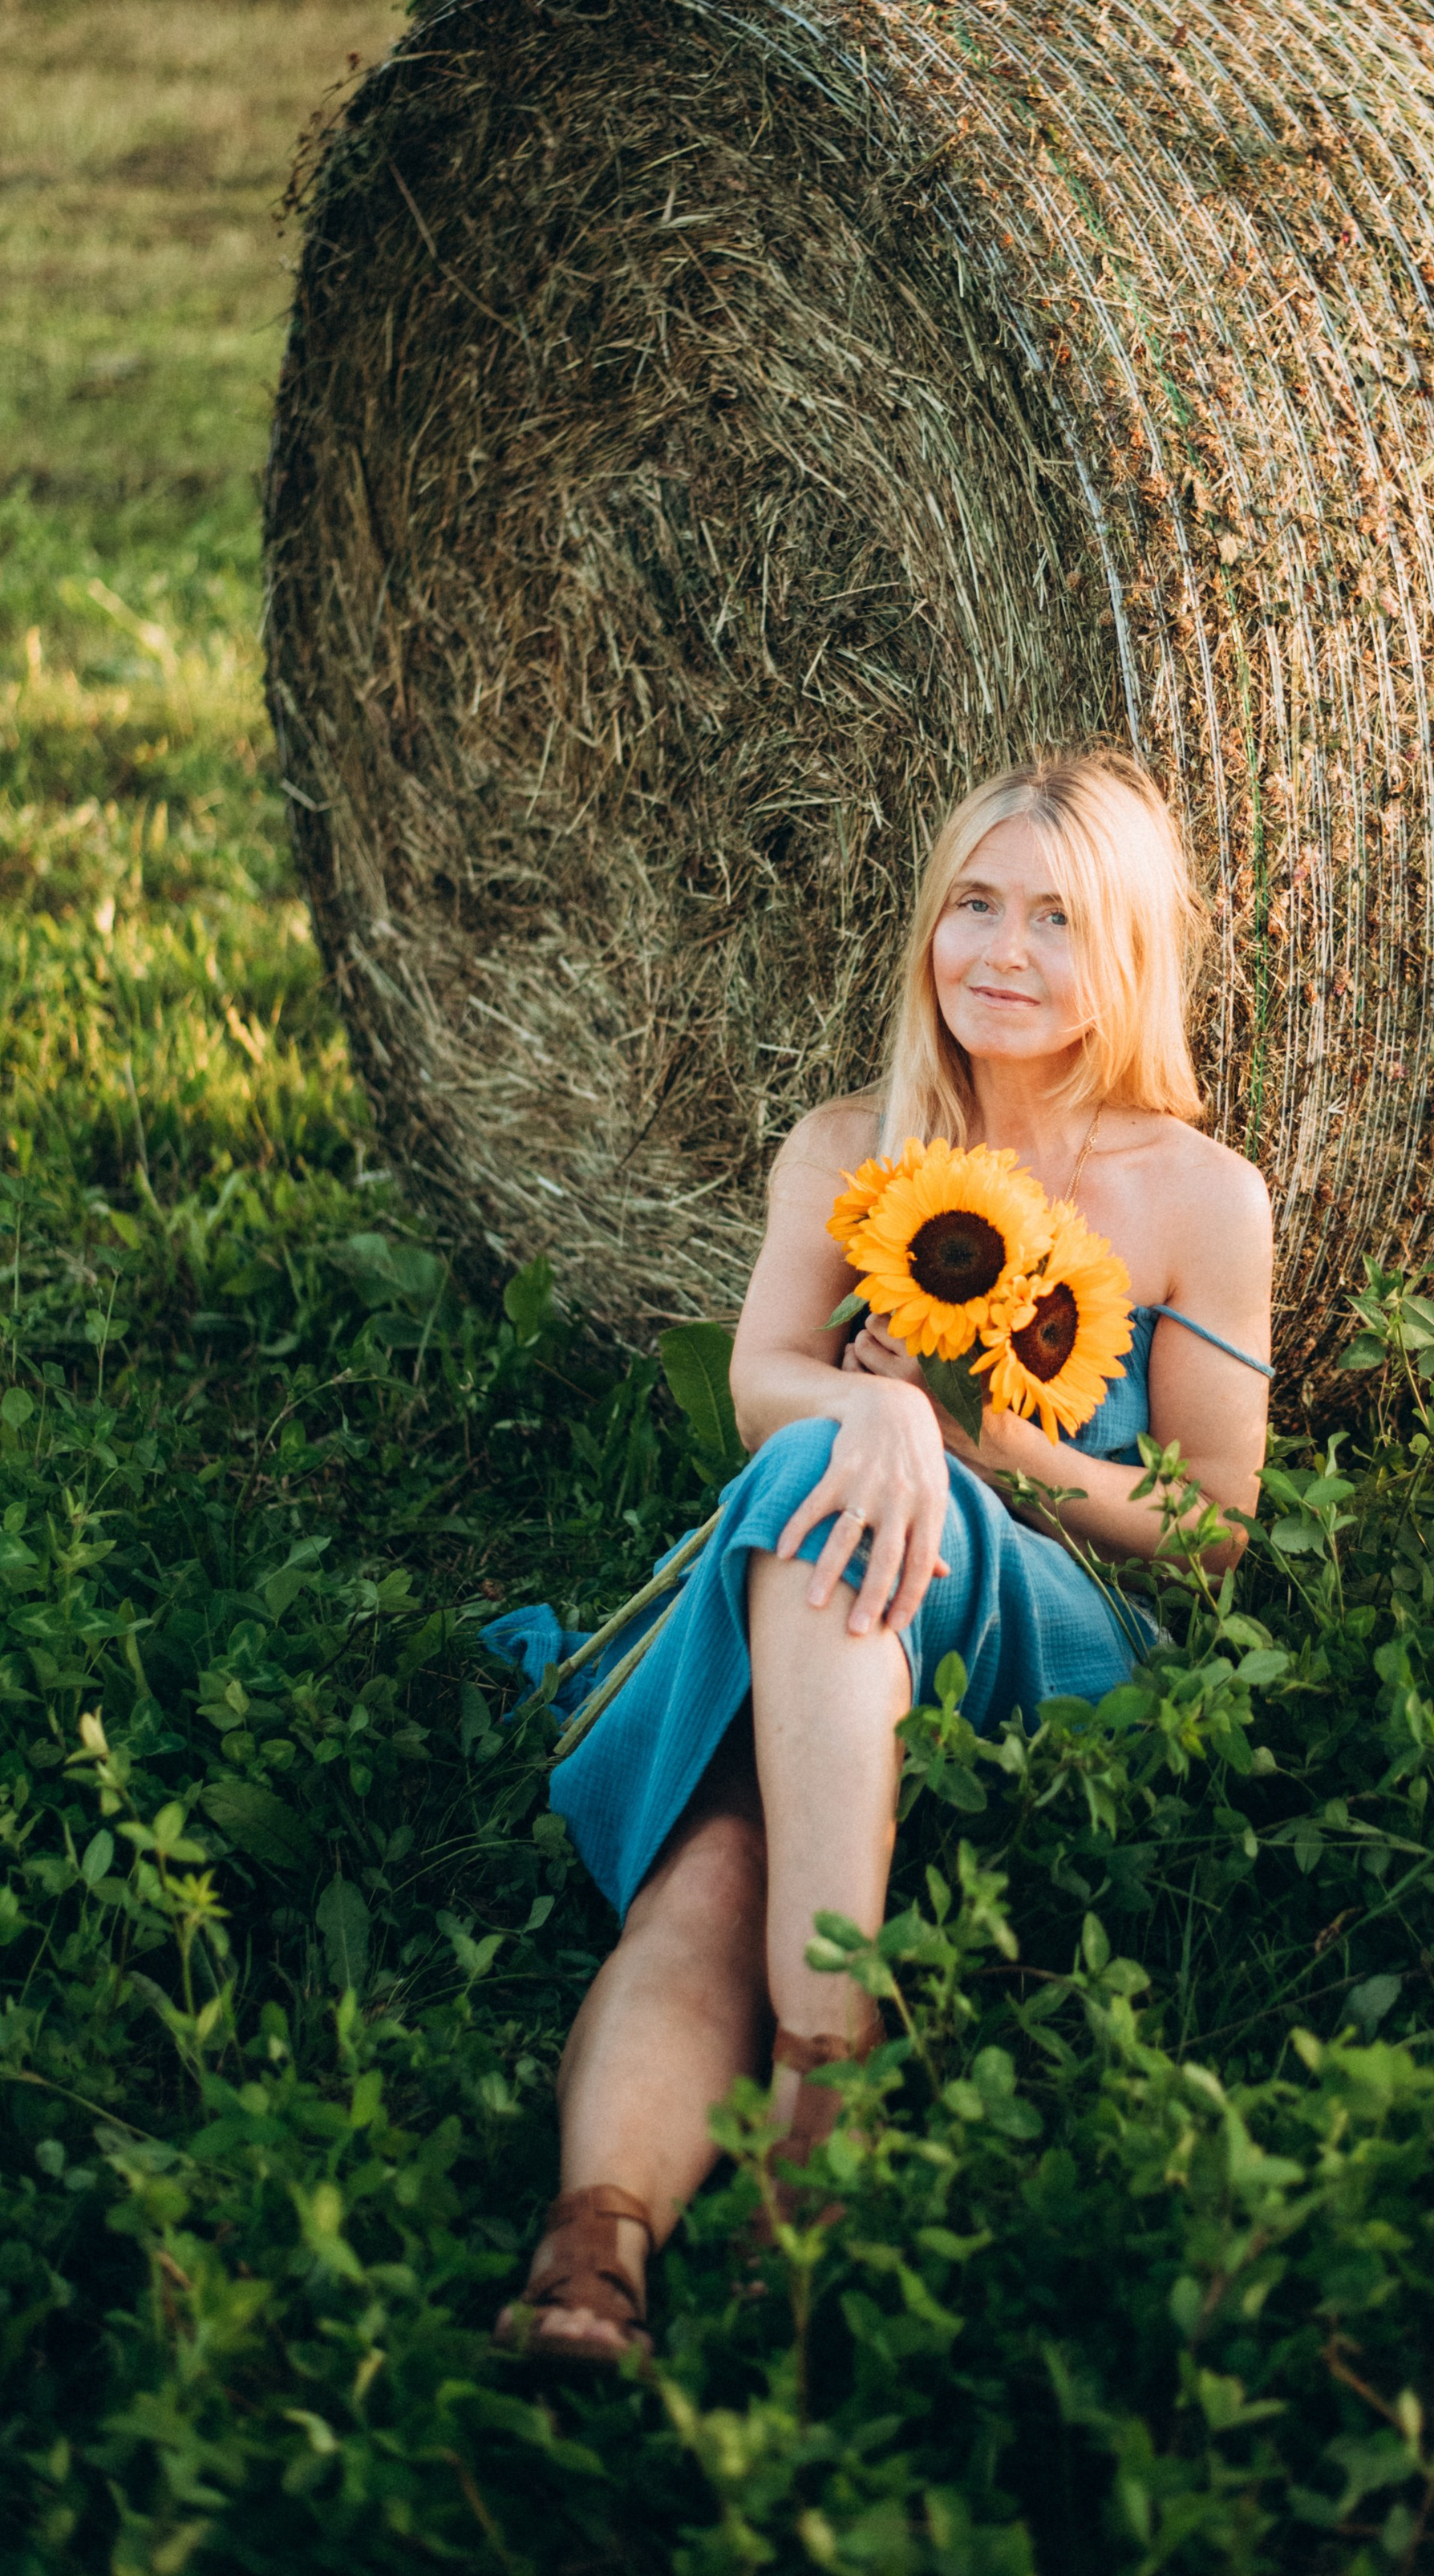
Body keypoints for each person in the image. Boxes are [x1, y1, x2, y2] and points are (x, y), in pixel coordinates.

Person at [486, 749, 1273, 2359]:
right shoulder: (850, 1141)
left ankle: (819, 2069)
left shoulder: (1202, 1194)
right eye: (970, 905)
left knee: (824, 1506)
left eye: (1054, 917)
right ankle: (599, 2239)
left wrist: (999, 1452)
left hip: (1052, 1621)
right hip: (836, 1591)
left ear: (1126, 948)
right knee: (720, 1854)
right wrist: (885, 1427)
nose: (1000, 952)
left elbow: (1215, 1529)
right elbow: (768, 1372)